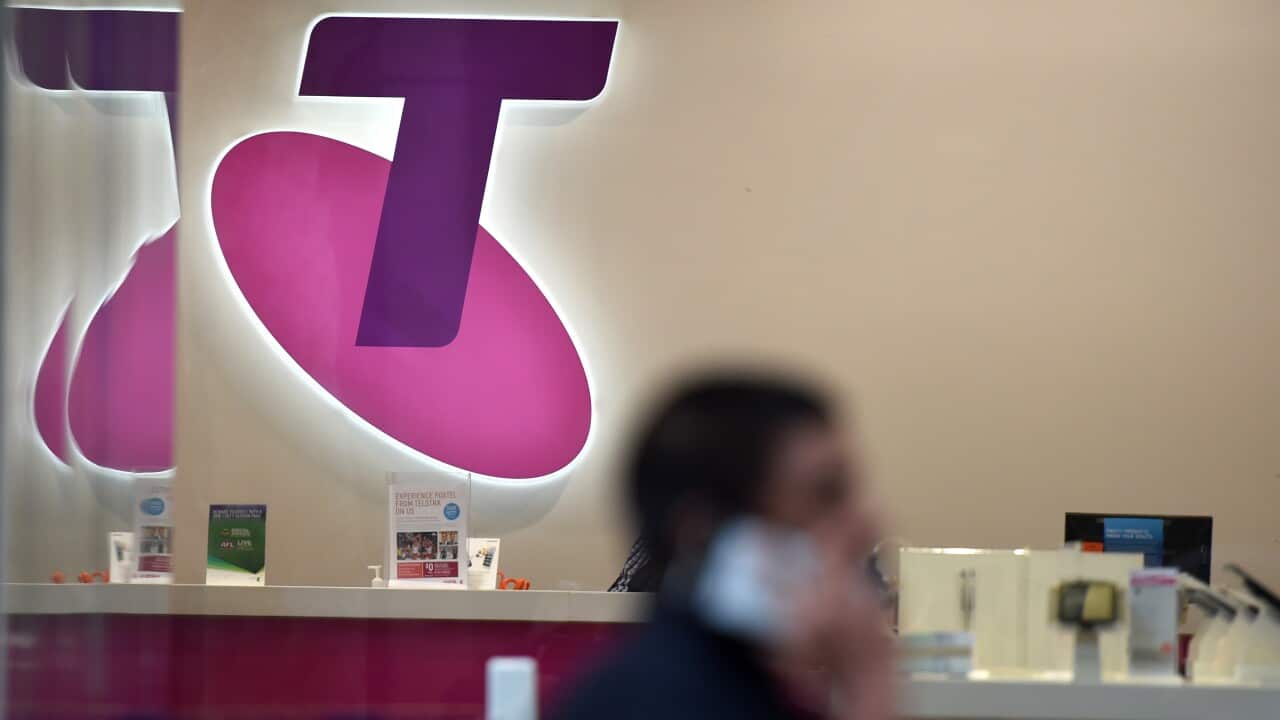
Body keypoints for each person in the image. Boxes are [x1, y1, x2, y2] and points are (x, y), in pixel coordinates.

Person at [554, 373, 892, 720]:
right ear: (702, 531)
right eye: (825, 495)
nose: (865, 526)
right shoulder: (659, 698)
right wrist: (869, 684)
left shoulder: (752, 683)